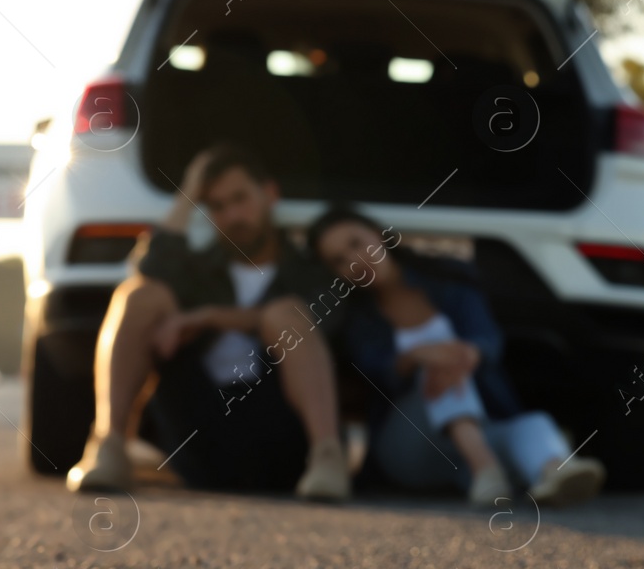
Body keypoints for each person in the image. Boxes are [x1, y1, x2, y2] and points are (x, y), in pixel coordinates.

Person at [67, 145, 351, 500]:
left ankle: (328, 456)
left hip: (284, 435)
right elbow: (148, 270)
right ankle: (109, 444)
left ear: (270, 194)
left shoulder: (310, 272)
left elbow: (328, 322)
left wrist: (210, 318)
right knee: (141, 295)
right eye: (217, 206)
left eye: (240, 199)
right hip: (201, 431)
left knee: (284, 313)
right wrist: (187, 194)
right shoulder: (195, 273)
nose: (233, 214)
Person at [306, 206, 604, 507]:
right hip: (408, 448)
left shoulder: (449, 276)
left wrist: (469, 354)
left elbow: (487, 338)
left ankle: (552, 472)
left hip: (472, 435)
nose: (355, 262)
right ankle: (486, 470)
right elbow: (378, 370)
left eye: (356, 244)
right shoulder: (358, 318)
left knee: (530, 423)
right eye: (339, 261)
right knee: (436, 368)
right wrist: (419, 356)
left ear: (377, 234)